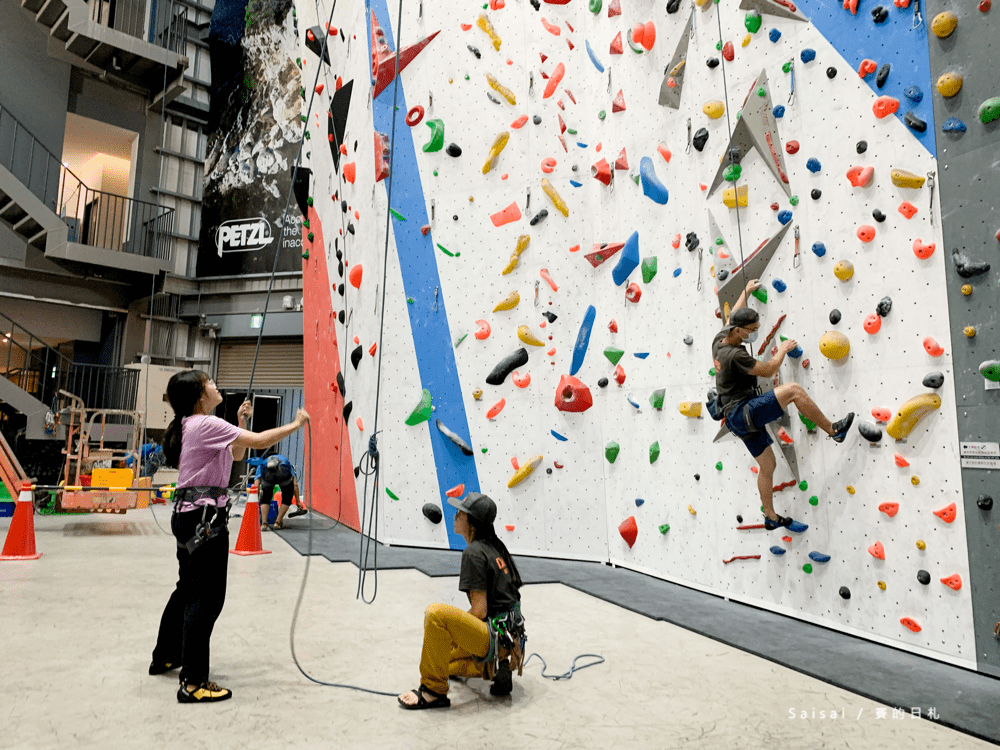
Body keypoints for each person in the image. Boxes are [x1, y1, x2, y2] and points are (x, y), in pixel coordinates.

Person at [149, 370, 309, 703]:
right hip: (204, 518)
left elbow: (237, 456)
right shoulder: (205, 425)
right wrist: (297, 424)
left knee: (187, 590)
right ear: (198, 393)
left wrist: (238, 420)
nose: (215, 385)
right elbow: (262, 442)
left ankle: (165, 655)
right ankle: (193, 680)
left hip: (190, 515)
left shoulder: (196, 425)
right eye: (209, 382)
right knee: (205, 599)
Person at [711, 279, 854, 530]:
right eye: (752, 329)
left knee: (768, 465)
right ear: (739, 331)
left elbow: (732, 314)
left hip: (736, 418)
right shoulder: (736, 355)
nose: (754, 332)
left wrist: (746, 291)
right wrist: (783, 349)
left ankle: (770, 516)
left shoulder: (722, 338)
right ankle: (834, 430)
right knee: (794, 391)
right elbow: (767, 370)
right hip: (743, 412)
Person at [398, 493, 526, 710]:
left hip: (493, 636)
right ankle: (494, 667)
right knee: (443, 662)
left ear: (472, 523)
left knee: (435, 614)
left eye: (461, 513)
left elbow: (479, 611)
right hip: (511, 640)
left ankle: (432, 692)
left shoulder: (473, 552)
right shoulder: (496, 546)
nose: (455, 516)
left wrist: (453, 637)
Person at [246, 450, 307, 530]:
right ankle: (277, 523)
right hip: (283, 473)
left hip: (268, 475)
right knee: (287, 496)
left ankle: (264, 524)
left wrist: (255, 502)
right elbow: (295, 485)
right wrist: (298, 502)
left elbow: (256, 485)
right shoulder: (285, 461)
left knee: (266, 497)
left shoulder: (263, 463)